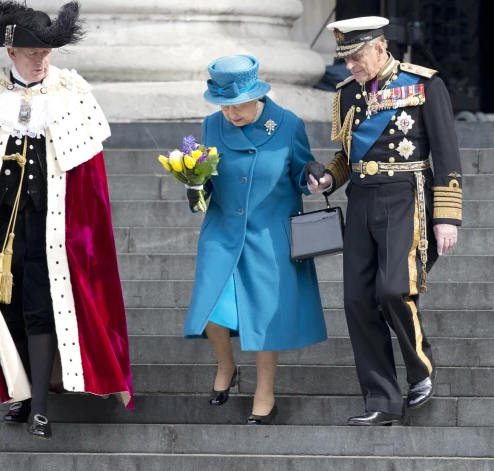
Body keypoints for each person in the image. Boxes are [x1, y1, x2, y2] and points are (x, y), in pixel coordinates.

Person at [305, 16, 463, 426]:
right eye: (346, 60)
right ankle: (382, 399)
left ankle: (420, 369)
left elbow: (446, 154)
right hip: (361, 201)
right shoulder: (347, 94)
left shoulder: (425, 84)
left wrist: (446, 216)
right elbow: (346, 156)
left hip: (406, 198)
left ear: (379, 47)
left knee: (394, 289)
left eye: (357, 57)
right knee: (358, 301)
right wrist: (328, 178)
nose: (351, 67)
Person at [0, 1, 133, 439]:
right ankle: (18, 398)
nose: (40, 60)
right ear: (11, 52)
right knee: (8, 308)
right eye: (32, 52)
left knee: (40, 311)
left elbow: (91, 186)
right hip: (3, 230)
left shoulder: (72, 95)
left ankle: (39, 407)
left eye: (46, 53)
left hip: (49, 226)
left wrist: (79, 236)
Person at [183, 55, 327, 425]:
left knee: (264, 319)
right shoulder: (212, 125)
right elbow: (206, 182)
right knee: (210, 309)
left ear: (256, 95)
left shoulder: (288, 124)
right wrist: (193, 184)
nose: (230, 114)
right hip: (222, 231)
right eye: (224, 107)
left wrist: (311, 174)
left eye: (237, 106)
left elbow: (301, 171)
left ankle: (265, 393)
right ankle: (227, 366)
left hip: (269, 235)